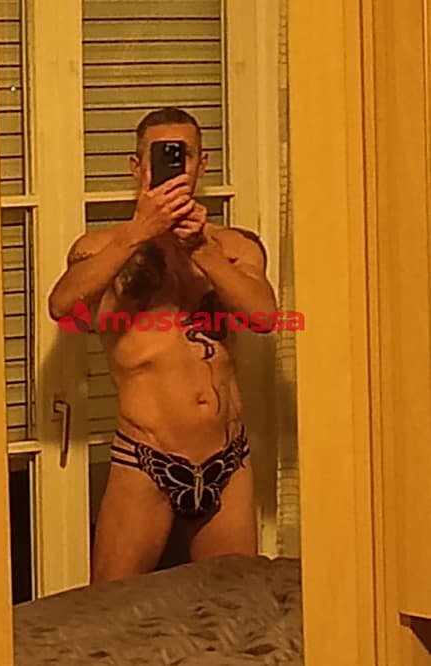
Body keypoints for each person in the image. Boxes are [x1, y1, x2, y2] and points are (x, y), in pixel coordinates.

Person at [48, 107, 277, 583]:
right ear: (138, 167)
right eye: (161, 156)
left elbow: (264, 317)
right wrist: (137, 234)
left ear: (201, 164)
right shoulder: (101, 248)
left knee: (234, 600)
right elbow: (62, 307)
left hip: (227, 461)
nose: (175, 167)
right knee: (110, 605)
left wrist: (201, 251)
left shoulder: (233, 246)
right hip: (145, 459)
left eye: (184, 155)